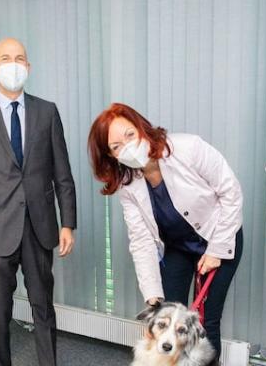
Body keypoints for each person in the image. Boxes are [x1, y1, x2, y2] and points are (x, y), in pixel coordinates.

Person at [87, 103, 243, 363]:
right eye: (116, 146)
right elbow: (141, 240)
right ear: (111, 156)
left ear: (141, 128)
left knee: (204, 322)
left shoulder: (188, 148)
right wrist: (152, 294)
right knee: (168, 317)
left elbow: (231, 192)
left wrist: (216, 250)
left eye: (129, 135)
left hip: (219, 236)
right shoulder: (128, 185)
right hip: (178, 246)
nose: (126, 146)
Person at [0, 37, 77, 366]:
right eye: (6, 58)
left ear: (28, 67)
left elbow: (62, 173)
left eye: (19, 58)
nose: (13, 64)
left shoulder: (47, 112)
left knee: (43, 310)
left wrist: (68, 222)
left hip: (39, 228)